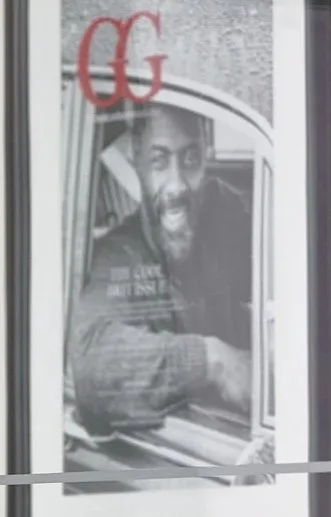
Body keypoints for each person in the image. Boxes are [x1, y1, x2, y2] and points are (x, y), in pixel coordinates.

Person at [68, 101, 253, 434]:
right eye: (159, 162)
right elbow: (91, 367)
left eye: (190, 159)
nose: (177, 184)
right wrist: (212, 360)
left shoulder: (225, 213)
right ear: (136, 161)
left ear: (206, 154)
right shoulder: (120, 255)